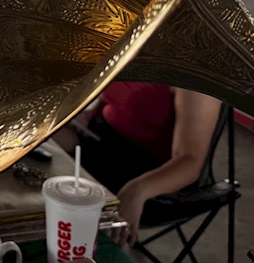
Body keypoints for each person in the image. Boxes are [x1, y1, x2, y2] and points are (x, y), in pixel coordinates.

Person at [53, 83, 220, 246]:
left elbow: (190, 161)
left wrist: (137, 191)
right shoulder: (130, 62)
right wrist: (89, 115)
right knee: (42, 139)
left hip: (146, 171)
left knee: (65, 202)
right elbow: (115, 96)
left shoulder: (195, 78)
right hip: (101, 139)